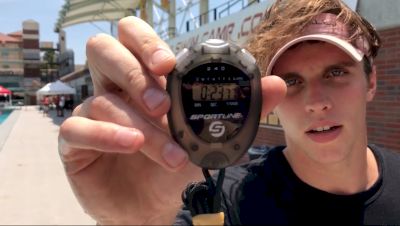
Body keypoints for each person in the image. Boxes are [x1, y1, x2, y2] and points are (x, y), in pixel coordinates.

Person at [58, 0, 400, 225]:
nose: (316, 101)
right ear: (267, 95)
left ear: (371, 80)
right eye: (291, 80)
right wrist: (140, 223)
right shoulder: (220, 204)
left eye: (336, 73)